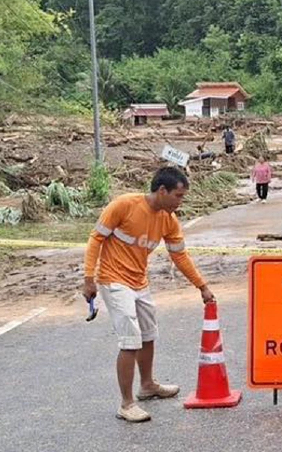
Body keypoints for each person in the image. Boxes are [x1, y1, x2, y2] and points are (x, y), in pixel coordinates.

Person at [83, 167, 215, 423]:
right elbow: (96, 238)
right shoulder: (124, 205)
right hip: (113, 280)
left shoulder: (168, 220)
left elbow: (180, 256)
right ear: (162, 190)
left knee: (148, 334)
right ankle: (126, 403)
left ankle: (147, 385)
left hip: (139, 281)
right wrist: (89, 279)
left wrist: (202, 286)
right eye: (178, 195)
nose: (181, 201)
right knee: (130, 339)